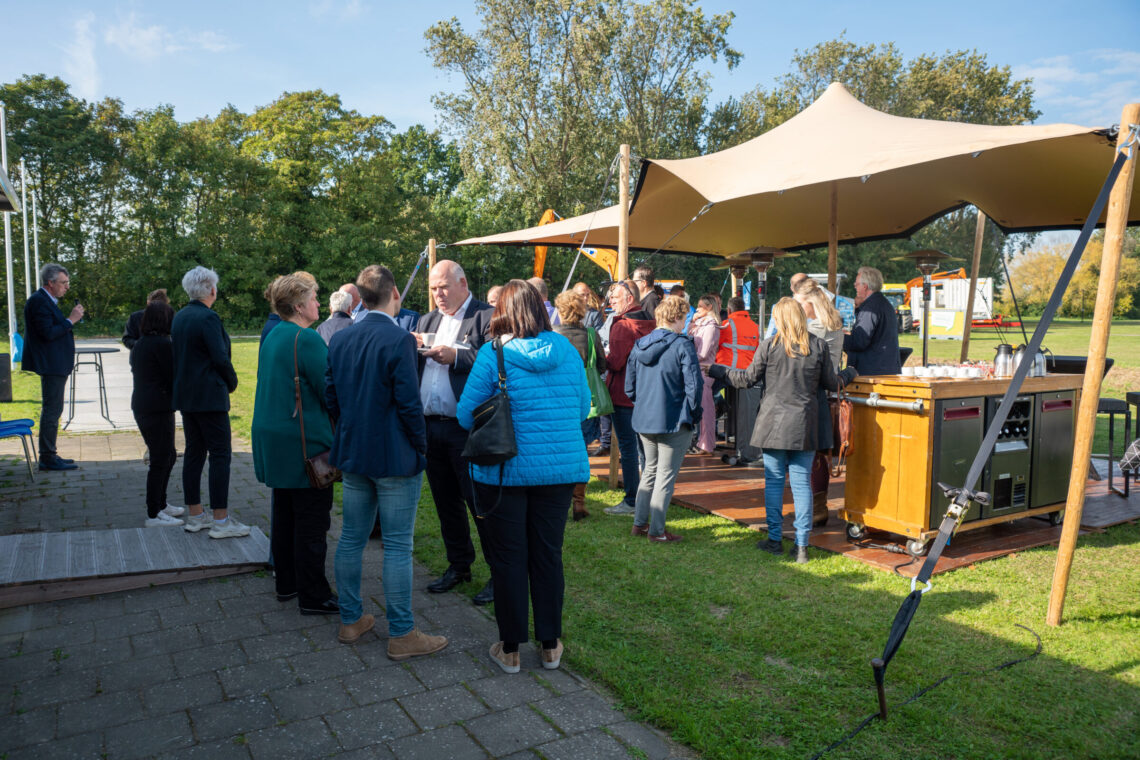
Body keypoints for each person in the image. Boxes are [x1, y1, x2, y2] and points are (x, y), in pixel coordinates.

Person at [456, 279, 590, 674]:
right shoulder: (567, 350)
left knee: (508, 559)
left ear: (504, 312)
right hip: (559, 471)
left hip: (504, 471)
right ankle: (550, 645)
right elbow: (583, 408)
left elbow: (466, 416)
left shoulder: (492, 353)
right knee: (548, 556)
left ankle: (510, 648)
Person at [327, 265, 448, 656]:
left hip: (354, 451)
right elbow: (409, 404)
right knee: (397, 545)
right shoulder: (398, 340)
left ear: (360, 298)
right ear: (395, 293)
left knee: (351, 538)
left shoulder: (341, 339)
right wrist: (421, 445)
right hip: (395, 454)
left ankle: (350, 620)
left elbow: (331, 397)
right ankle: (401, 633)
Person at [709, 298, 840, 563]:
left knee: (774, 482)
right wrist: (849, 375)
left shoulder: (769, 346)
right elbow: (831, 382)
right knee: (802, 485)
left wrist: (716, 370)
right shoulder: (817, 346)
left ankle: (775, 539)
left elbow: (746, 379)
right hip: (804, 425)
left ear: (779, 319)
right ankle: (802, 545)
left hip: (773, 424)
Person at [251, 273, 338, 614]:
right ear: (300, 306)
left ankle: (286, 583)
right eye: (315, 298)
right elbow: (329, 389)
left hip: (275, 440)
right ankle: (314, 595)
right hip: (304, 445)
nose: (319, 303)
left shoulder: (274, 334)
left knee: (286, 515)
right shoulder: (307, 338)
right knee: (312, 521)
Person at [414, 260, 496, 604]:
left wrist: (457, 357)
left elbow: (496, 360)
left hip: (468, 428)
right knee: (446, 503)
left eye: (443, 287)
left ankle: (498, 571)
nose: (438, 294)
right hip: (432, 426)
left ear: (463, 283)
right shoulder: (427, 320)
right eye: (433, 288)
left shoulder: (486, 316)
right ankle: (458, 564)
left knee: (480, 503)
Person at [172, 266, 246, 538]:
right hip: (209, 396)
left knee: (193, 453)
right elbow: (219, 357)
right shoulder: (208, 318)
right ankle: (221, 520)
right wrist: (232, 381)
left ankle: (195, 515)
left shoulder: (179, 316)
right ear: (211, 289)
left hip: (187, 395)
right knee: (220, 456)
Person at [626, 295, 702, 542]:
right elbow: (694, 385)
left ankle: (640, 524)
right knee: (664, 476)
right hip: (673, 419)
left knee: (650, 471)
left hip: (645, 417)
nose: (685, 323)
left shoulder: (640, 344)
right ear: (678, 317)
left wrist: (644, 402)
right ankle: (656, 531)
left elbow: (630, 387)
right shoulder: (682, 344)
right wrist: (694, 414)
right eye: (684, 318)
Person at [22, 263, 83, 471]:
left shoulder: (47, 301)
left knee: (54, 408)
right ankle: (47, 457)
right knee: (52, 409)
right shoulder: (39, 302)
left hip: (55, 363)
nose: (67, 287)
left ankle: (50, 453)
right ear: (51, 283)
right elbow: (48, 333)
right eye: (64, 283)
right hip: (51, 364)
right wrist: (70, 320)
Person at [601, 280, 655, 516]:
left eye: (615, 297)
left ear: (630, 299)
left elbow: (615, 362)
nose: (610, 301)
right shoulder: (649, 322)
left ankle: (633, 499)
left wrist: (600, 357)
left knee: (629, 450)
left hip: (623, 394)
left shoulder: (623, 325)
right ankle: (647, 497)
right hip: (645, 393)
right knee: (644, 450)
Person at [130, 301, 185, 527]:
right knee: (160, 459)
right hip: (156, 407)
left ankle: (161, 504)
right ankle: (154, 513)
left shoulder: (142, 343)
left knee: (168, 455)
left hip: (147, 405)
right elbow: (173, 375)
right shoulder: (162, 344)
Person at [553, 290, 605, 522]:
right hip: (584, 400)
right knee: (581, 451)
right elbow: (601, 365)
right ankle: (579, 503)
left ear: (559, 310)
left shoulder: (551, 336)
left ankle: (559, 501)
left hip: (556, 400)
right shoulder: (591, 335)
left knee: (557, 451)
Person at [844, 266, 901, 376]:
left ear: (865, 286)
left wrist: (838, 337)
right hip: (883, 368)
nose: (854, 286)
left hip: (872, 372)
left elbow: (859, 341)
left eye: (857, 283)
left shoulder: (871, 308)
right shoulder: (884, 304)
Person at [688, 294, 721, 455]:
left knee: (705, 409)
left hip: (704, 370)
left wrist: (686, 357)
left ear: (709, 307)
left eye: (701, 306)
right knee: (700, 408)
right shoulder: (699, 324)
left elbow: (704, 352)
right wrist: (692, 322)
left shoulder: (711, 326)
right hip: (696, 369)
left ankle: (706, 444)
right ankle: (702, 441)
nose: (698, 308)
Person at [716, 296, 759, 369]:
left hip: (726, 371)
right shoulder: (755, 327)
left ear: (728, 310)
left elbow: (713, 345)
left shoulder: (725, 325)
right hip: (746, 372)